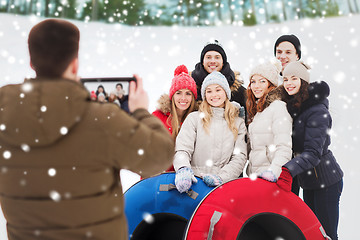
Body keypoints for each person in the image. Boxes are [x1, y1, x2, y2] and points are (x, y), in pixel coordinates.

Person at [0, 19, 174, 240]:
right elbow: (159, 157)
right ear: (74, 64)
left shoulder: (4, 111)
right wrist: (140, 111)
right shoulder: (103, 119)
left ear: (32, 63)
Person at [279, 61, 343, 240]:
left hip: (326, 181)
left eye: (294, 78)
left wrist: (288, 169)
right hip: (309, 181)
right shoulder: (294, 106)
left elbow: (313, 152)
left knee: (327, 235)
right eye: (285, 79)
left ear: (303, 81)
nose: (289, 83)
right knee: (312, 233)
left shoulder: (317, 110)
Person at [173, 71, 247, 193]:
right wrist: (183, 168)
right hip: (194, 185)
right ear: (204, 95)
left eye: (218, 90)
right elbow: (182, 148)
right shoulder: (194, 118)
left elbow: (240, 157)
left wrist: (221, 177)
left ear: (226, 93)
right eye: (209, 91)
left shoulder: (238, 123)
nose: (214, 95)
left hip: (223, 188)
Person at [245, 60, 292, 181]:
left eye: (262, 81)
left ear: (270, 84)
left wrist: (273, 172)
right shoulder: (258, 111)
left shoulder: (278, 107)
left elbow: (284, 147)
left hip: (270, 178)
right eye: (253, 81)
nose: (256, 86)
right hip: (256, 177)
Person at [152, 65, 197, 171]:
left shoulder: (195, 119)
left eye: (188, 93)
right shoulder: (157, 117)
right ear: (172, 96)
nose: (183, 98)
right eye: (178, 93)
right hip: (159, 177)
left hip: (187, 178)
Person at [274, 34, 303, 194]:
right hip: (273, 157)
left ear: (297, 55)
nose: (282, 56)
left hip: (296, 160)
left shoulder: (303, 83)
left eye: (288, 52)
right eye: (279, 52)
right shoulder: (272, 82)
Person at [191, 40, 247, 117]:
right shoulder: (191, 87)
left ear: (223, 62)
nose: (213, 61)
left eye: (217, 57)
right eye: (208, 57)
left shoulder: (238, 91)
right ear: (203, 62)